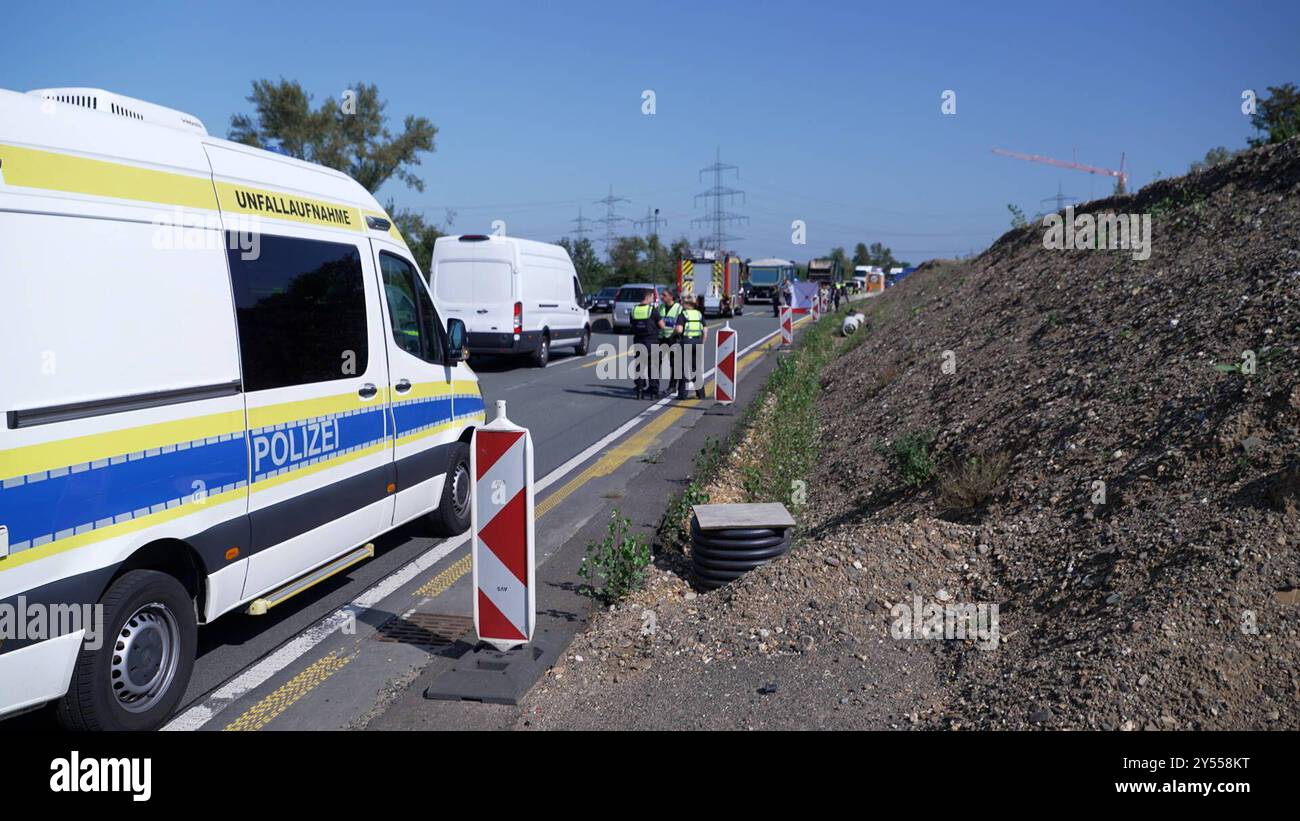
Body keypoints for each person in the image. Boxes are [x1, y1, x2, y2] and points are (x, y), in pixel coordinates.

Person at [628, 289, 662, 400]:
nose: (653, 300)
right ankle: (653, 392)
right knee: (653, 366)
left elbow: (632, 323)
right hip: (651, 341)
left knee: (639, 367)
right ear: (648, 297)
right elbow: (661, 325)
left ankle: (639, 390)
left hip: (638, 341)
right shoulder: (652, 310)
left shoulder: (633, 310)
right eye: (652, 297)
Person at [678, 296, 708, 400]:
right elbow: (705, 331)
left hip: (686, 342)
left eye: (683, 302)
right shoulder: (699, 314)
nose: (682, 304)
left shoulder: (683, 314)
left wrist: (674, 333)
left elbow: (679, 329)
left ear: (687, 304)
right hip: (697, 342)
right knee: (696, 369)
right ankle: (701, 394)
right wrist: (702, 343)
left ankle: (682, 395)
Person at [658, 289, 684, 398]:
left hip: (674, 339)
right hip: (662, 338)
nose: (661, 297)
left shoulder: (679, 308)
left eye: (664, 295)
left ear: (671, 297)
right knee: (656, 362)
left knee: (674, 364)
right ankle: (654, 387)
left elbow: (681, 325)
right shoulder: (660, 307)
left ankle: (673, 386)